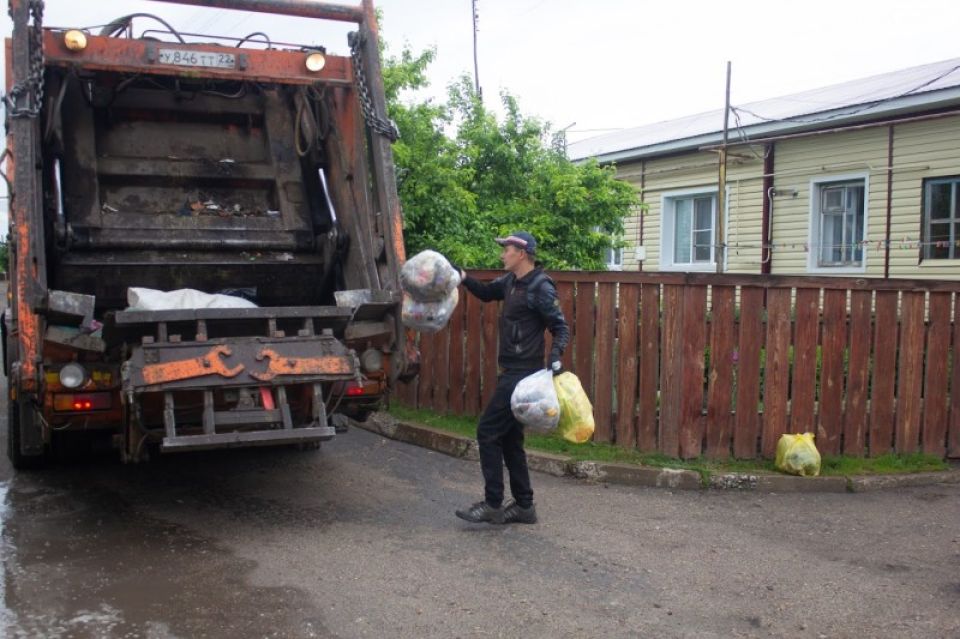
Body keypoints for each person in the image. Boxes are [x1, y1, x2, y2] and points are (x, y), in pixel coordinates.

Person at [454, 231, 570, 525]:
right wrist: (463, 276)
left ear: (521, 253)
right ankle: (524, 506)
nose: (502, 254)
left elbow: (560, 327)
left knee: (487, 431)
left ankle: (493, 504)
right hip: (512, 370)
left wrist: (555, 356)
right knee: (509, 440)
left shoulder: (540, 287)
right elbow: (485, 293)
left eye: (506, 250)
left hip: (523, 374)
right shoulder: (509, 282)